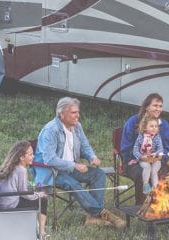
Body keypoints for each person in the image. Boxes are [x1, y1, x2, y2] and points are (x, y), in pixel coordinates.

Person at [34, 97, 126, 229]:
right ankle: (101, 213)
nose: (78, 115)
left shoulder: (76, 126)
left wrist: (92, 156)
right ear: (61, 113)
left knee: (98, 174)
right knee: (72, 183)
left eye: (78, 112)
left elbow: (85, 146)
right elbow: (49, 159)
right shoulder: (51, 130)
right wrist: (74, 165)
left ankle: (92, 218)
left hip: (70, 168)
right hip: (52, 172)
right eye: (73, 112)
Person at [120, 93, 169, 204]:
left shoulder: (163, 125)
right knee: (142, 172)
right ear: (147, 107)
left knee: (159, 172)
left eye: (160, 106)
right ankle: (141, 206)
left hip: (157, 160)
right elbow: (125, 148)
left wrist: (158, 157)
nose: (158, 109)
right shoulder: (133, 122)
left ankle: (158, 205)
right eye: (155, 105)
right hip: (134, 161)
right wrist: (142, 157)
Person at [0, 140, 48, 240]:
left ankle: (38, 230)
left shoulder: (14, 166)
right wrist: (38, 195)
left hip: (3, 201)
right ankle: (41, 233)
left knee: (39, 197)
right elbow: (24, 193)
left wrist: (35, 186)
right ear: (22, 157)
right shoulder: (21, 170)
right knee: (43, 200)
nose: (33, 157)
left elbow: (22, 185)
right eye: (31, 154)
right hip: (11, 204)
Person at [131, 116, 164, 194]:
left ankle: (155, 189)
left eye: (156, 126)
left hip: (155, 159)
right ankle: (145, 184)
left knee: (154, 171)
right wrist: (140, 156)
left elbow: (161, 149)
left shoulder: (157, 137)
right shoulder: (141, 137)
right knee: (147, 167)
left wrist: (157, 154)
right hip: (144, 158)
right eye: (151, 126)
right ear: (145, 127)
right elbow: (135, 149)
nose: (154, 128)